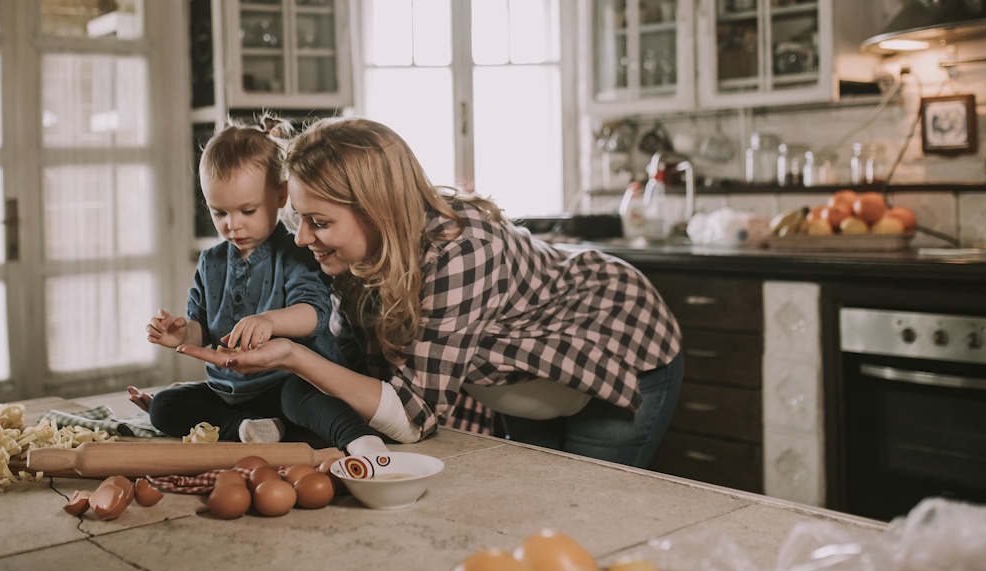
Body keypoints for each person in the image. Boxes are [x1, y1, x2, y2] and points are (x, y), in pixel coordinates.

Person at [178, 117, 684, 469]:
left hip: (618, 340)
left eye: (319, 221)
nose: (303, 237)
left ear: (375, 209)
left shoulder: (461, 248)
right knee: (538, 509)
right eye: (299, 219)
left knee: (587, 518)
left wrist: (291, 356)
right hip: (528, 379)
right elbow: (364, 377)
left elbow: (411, 416)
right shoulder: (352, 256)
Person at [129, 117, 383, 454]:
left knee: (304, 399)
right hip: (231, 391)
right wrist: (180, 333)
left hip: (292, 383)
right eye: (219, 213)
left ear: (280, 194)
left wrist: (269, 321)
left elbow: (314, 314)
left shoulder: (297, 252)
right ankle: (248, 429)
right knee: (164, 405)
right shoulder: (211, 262)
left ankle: (359, 439)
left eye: (248, 211)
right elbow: (203, 329)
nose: (233, 225)